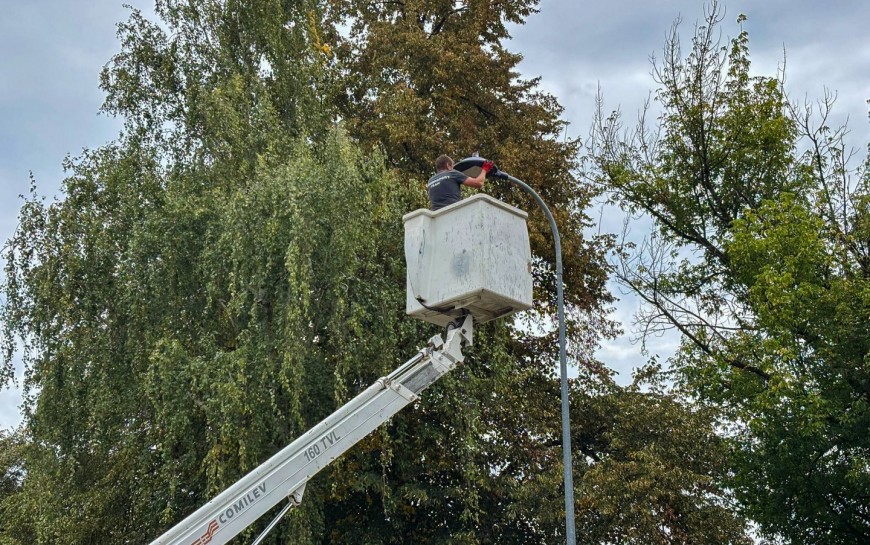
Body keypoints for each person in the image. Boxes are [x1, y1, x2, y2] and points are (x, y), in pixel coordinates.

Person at [427, 155, 494, 210]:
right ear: (448, 165)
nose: (453, 168)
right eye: (452, 166)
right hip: (452, 211)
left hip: (436, 214)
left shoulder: (430, 180)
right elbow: (479, 183)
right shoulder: (452, 173)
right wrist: (485, 169)